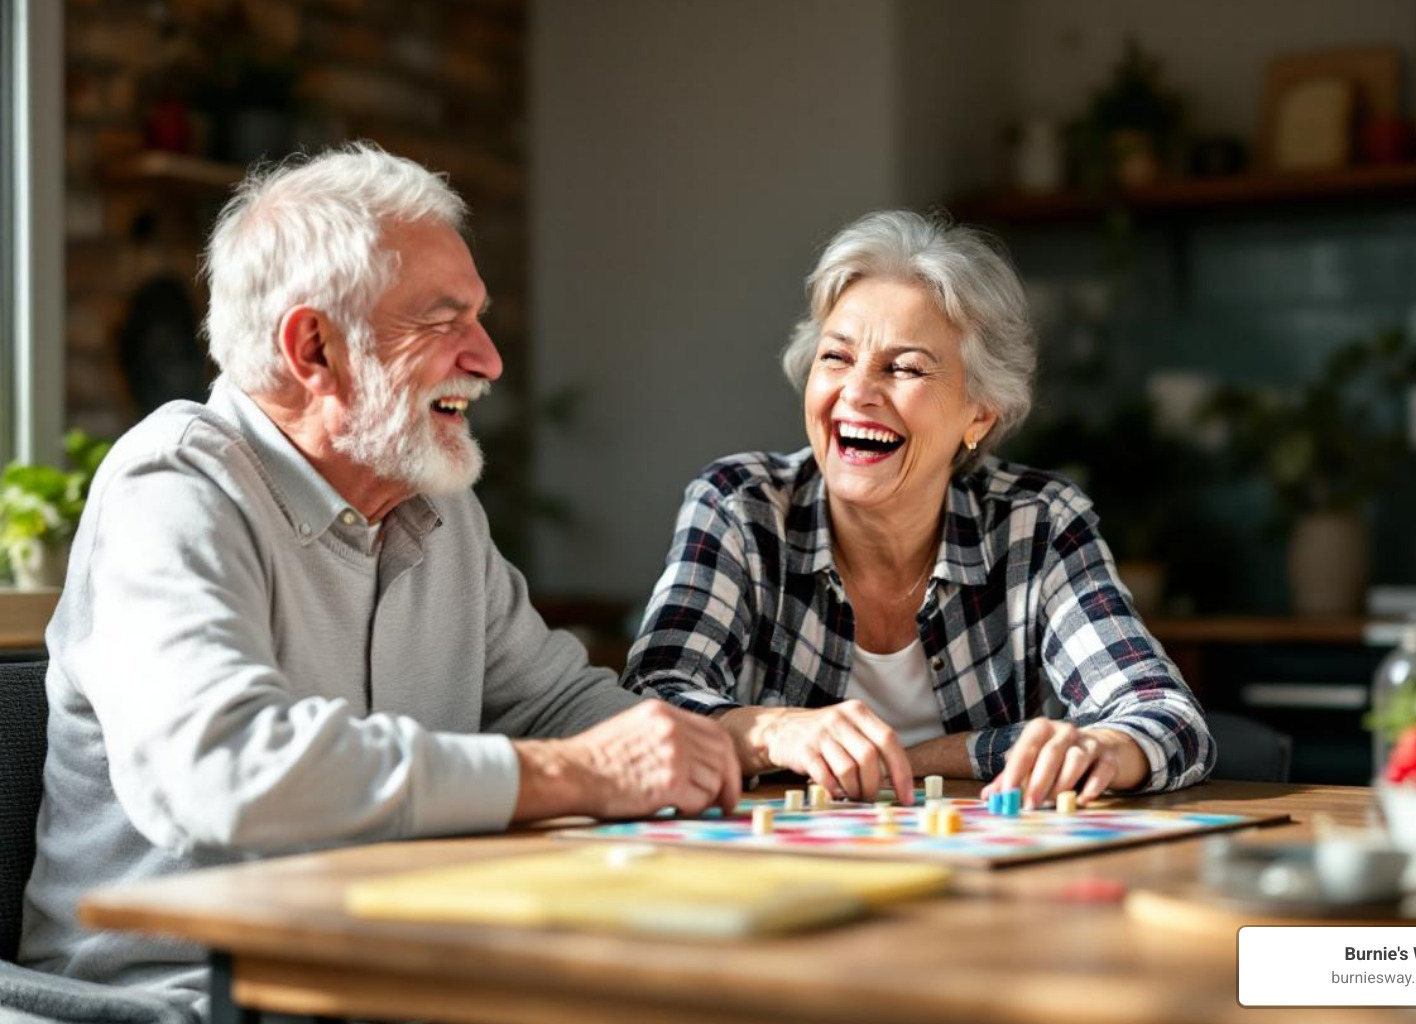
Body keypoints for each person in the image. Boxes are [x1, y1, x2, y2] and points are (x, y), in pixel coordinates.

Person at [19, 144, 740, 1015]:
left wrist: (739, 741)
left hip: (390, 978)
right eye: (444, 322)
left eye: (479, 318)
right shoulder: (173, 483)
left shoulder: (433, 504)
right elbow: (226, 769)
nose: (489, 359)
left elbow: (557, 708)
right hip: (188, 1000)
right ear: (313, 346)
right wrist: (573, 776)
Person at [622, 210, 1213, 808]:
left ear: (979, 413)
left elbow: (1167, 718)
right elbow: (650, 701)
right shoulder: (742, 506)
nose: (856, 393)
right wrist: (774, 730)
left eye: (904, 368)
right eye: (836, 357)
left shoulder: (1037, 523)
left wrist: (1101, 749)